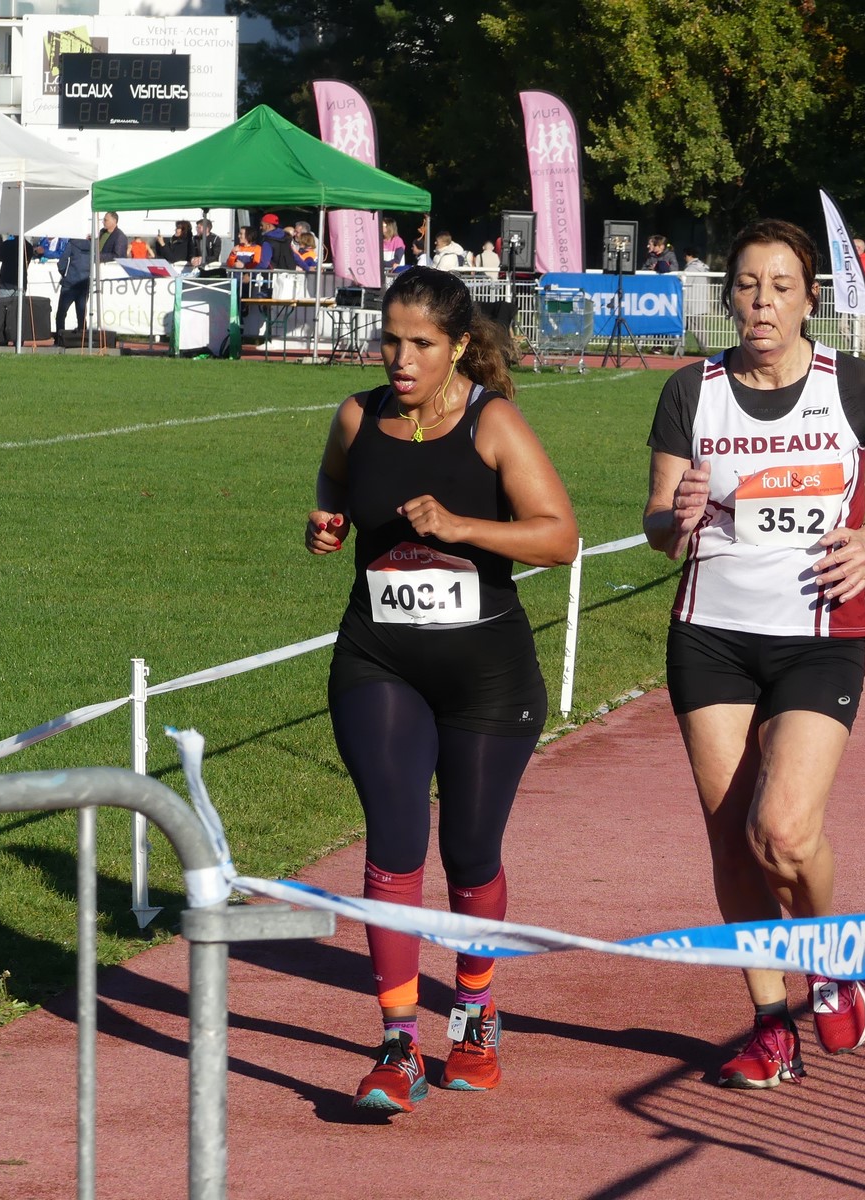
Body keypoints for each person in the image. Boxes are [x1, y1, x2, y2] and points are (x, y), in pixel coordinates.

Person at [641, 218, 865, 1090]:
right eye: (746, 285)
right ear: (728, 297)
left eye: (780, 287)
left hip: (819, 636)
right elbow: (657, 527)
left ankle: (828, 962)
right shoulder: (691, 391)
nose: (761, 303)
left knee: (784, 830)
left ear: (810, 299)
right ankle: (771, 1025)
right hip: (712, 638)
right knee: (733, 842)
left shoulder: (854, 385)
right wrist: (676, 518)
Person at [305, 266, 578, 1114]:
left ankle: (474, 1017)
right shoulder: (357, 417)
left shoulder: (493, 423)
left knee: (469, 851)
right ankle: (397, 1044)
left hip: (486, 676)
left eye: (420, 344)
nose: (401, 358)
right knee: (392, 845)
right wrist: (327, 520)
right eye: (390, 340)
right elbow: (334, 482)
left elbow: (560, 538)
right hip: (379, 660)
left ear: (458, 346)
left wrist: (460, 527)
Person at [55, 236, 92, 338]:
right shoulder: (92, 246)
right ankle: (82, 338)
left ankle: (60, 337)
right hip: (84, 284)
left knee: (61, 313)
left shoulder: (72, 243)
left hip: (69, 284)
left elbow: (62, 262)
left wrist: (65, 274)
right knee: (81, 314)